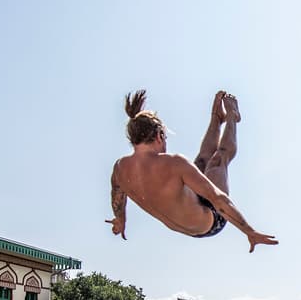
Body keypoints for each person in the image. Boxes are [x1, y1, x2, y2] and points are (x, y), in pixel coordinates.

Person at [108, 90, 278, 253]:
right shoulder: (174, 163)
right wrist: (249, 231)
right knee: (218, 160)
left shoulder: (120, 169)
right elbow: (218, 200)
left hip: (189, 210)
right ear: (159, 136)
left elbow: (117, 196)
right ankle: (233, 116)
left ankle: (216, 118)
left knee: (202, 160)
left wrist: (121, 220)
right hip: (212, 219)